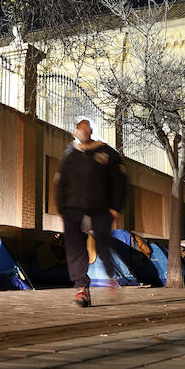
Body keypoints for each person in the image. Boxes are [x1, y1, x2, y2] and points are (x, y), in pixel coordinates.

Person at [55, 117, 127, 307]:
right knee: (75, 248)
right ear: (76, 132)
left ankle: (111, 275)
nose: (83, 132)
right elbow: (60, 182)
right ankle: (81, 289)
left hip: (100, 209)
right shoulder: (70, 155)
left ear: (91, 131)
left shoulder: (107, 153)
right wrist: (62, 207)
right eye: (80, 129)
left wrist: (115, 208)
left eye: (86, 128)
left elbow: (119, 181)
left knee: (103, 244)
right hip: (73, 209)